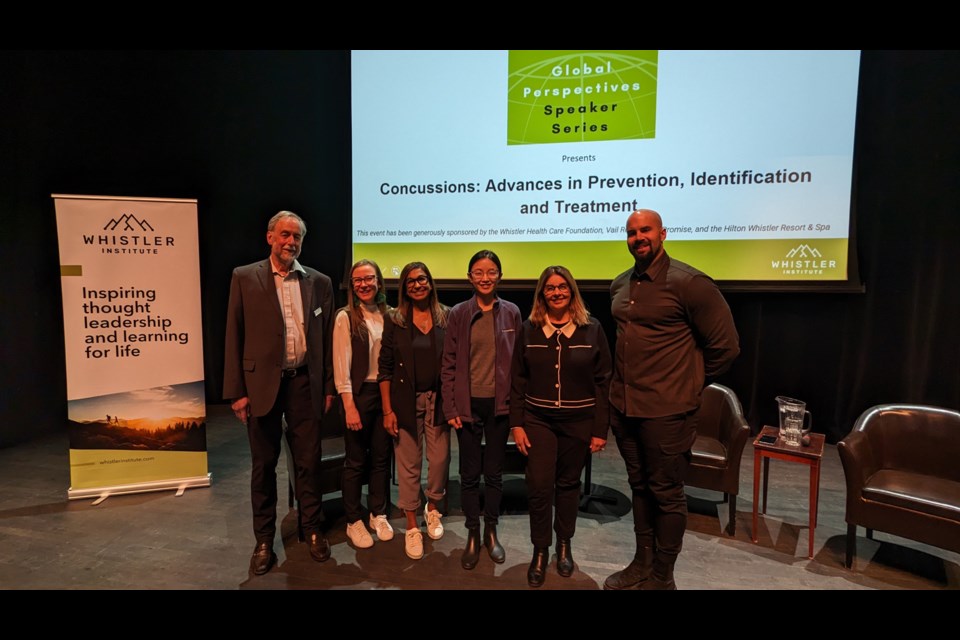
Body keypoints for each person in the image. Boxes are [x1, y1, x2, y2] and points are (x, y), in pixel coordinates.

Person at [605, 209, 740, 590]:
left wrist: (687, 384)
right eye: (631, 232)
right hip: (625, 409)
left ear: (663, 233)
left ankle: (663, 578)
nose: (638, 237)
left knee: (666, 494)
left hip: (668, 413)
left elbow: (726, 348)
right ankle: (641, 564)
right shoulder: (619, 285)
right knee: (641, 488)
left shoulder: (691, 283)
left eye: (645, 229)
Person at [223, 210, 335, 576]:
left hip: (305, 384)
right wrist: (237, 392)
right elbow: (233, 335)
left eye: (297, 237)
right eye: (285, 234)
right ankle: (264, 540)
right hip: (261, 388)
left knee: (309, 461)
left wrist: (329, 387)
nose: (291, 242)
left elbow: (326, 342)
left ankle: (312, 528)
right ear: (270, 237)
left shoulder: (320, 282)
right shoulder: (244, 277)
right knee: (264, 466)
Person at [511, 265, 611, 588]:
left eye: (562, 287)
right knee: (540, 485)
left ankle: (564, 545)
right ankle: (540, 550)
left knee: (569, 486)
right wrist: (517, 424)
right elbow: (517, 380)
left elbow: (603, 383)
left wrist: (600, 429)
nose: (556, 292)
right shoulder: (529, 329)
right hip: (537, 420)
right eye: (550, 288)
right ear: (542, 294)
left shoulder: (592, 329)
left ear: (572, 291)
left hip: (579, 422)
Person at [441, 249, 522, 570]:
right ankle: (473, 533)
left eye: (491, 272)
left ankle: (491, 531)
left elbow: (518, 365)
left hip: (501, 407)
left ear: (499, 276)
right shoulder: (459, 313)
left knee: (495, 473)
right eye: (478, 272)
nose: (485, 278)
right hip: (467, 406)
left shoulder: (512, 312)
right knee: (470, 474)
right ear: (469, 277)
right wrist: (450, 407)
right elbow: (448, 364)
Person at [378, 262, 450, 560]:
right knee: (408, 464)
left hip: (439, 400)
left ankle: (432, 508)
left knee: (440, 459)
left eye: (422, 280)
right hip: (404, 402)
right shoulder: (394, 319)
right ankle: (410, 525)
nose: (417, 285)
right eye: (410, 282)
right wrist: (387, 410)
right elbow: (385, 368)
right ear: (404, 288)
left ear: (430, 283)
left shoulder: (446, 315)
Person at [334, 259, 395, 549]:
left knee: (382, 459)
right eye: (358, 280)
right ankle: (353, 520)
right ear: (352, 285)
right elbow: (341, 365)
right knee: (356, 460)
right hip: (357, 396)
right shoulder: (345, 317)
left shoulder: (391, 315)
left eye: (369, 278)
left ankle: (378, 513)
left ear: (379, 281)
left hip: (385, 395)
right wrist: (348, 405)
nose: (364, 284)